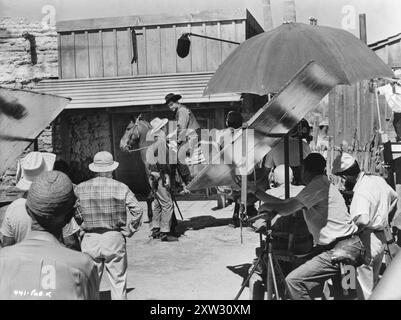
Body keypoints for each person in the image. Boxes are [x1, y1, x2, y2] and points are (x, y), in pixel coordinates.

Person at [252, 153, 363, 300]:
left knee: (294, 282)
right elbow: (287, 203)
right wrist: (256, 192)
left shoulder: (318, 185)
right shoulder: (320, 184)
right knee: (345, 296)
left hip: (341, 250)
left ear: (305, 170)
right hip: (349, 247)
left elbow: (286, 208)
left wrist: (266, 204)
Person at [0, 171, 99, 300]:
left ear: (28, 210)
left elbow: (6, 242)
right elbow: (71, 242)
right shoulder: (84, 266)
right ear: (70, 216)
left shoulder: (3, 260)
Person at [75, 151, 143, 300]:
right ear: (111, 169)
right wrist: (130, 229)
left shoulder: (80, 188)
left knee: (91, 283)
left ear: (94, 169)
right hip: (114, 238)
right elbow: (137, 210)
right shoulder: (121, 187)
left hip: (90, 238)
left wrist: (81, 224)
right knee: (118, 281)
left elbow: (74, 211)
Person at [332, 152, 398, 299]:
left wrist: (351, 231)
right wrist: (385, 217)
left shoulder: (361, 191)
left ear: (346, 176)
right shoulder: (377, 180)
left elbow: (362, 220)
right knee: (374, 283)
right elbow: (395, 198)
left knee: (364, 288)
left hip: (367, 239)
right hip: (380, 239)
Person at [1, 152, 81, 250]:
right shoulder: (56, 203)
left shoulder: (13, 207)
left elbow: (7, 244)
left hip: (21, 262)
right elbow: (71, 242)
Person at [148, 117, 179, 242]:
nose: (166, 128)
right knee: (167, 204)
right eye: (164, 127)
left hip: (153, 176)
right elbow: (163, 163)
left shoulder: (154, 143)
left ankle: (155, 229)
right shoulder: (161, 142)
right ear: (161, 129)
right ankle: (165, 232)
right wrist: (166, 177)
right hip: (160, 175)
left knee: (157, 204)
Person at [165, 93, 200, 186]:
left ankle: (187, 180)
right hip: (187, 136)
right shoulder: (179, 111)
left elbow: (182, 127)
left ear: (177, 102)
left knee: (177, 155)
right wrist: (171, 136)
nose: (170, 107)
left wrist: (176, 140)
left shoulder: (182, 110)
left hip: (190, 137)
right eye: (169, 106)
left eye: (171, 104)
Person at [263, 120, 311, 185]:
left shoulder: (274, 145)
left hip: (281, 181)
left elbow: (266, 170)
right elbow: (309, 164)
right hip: (300, 182)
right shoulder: (304, 145)